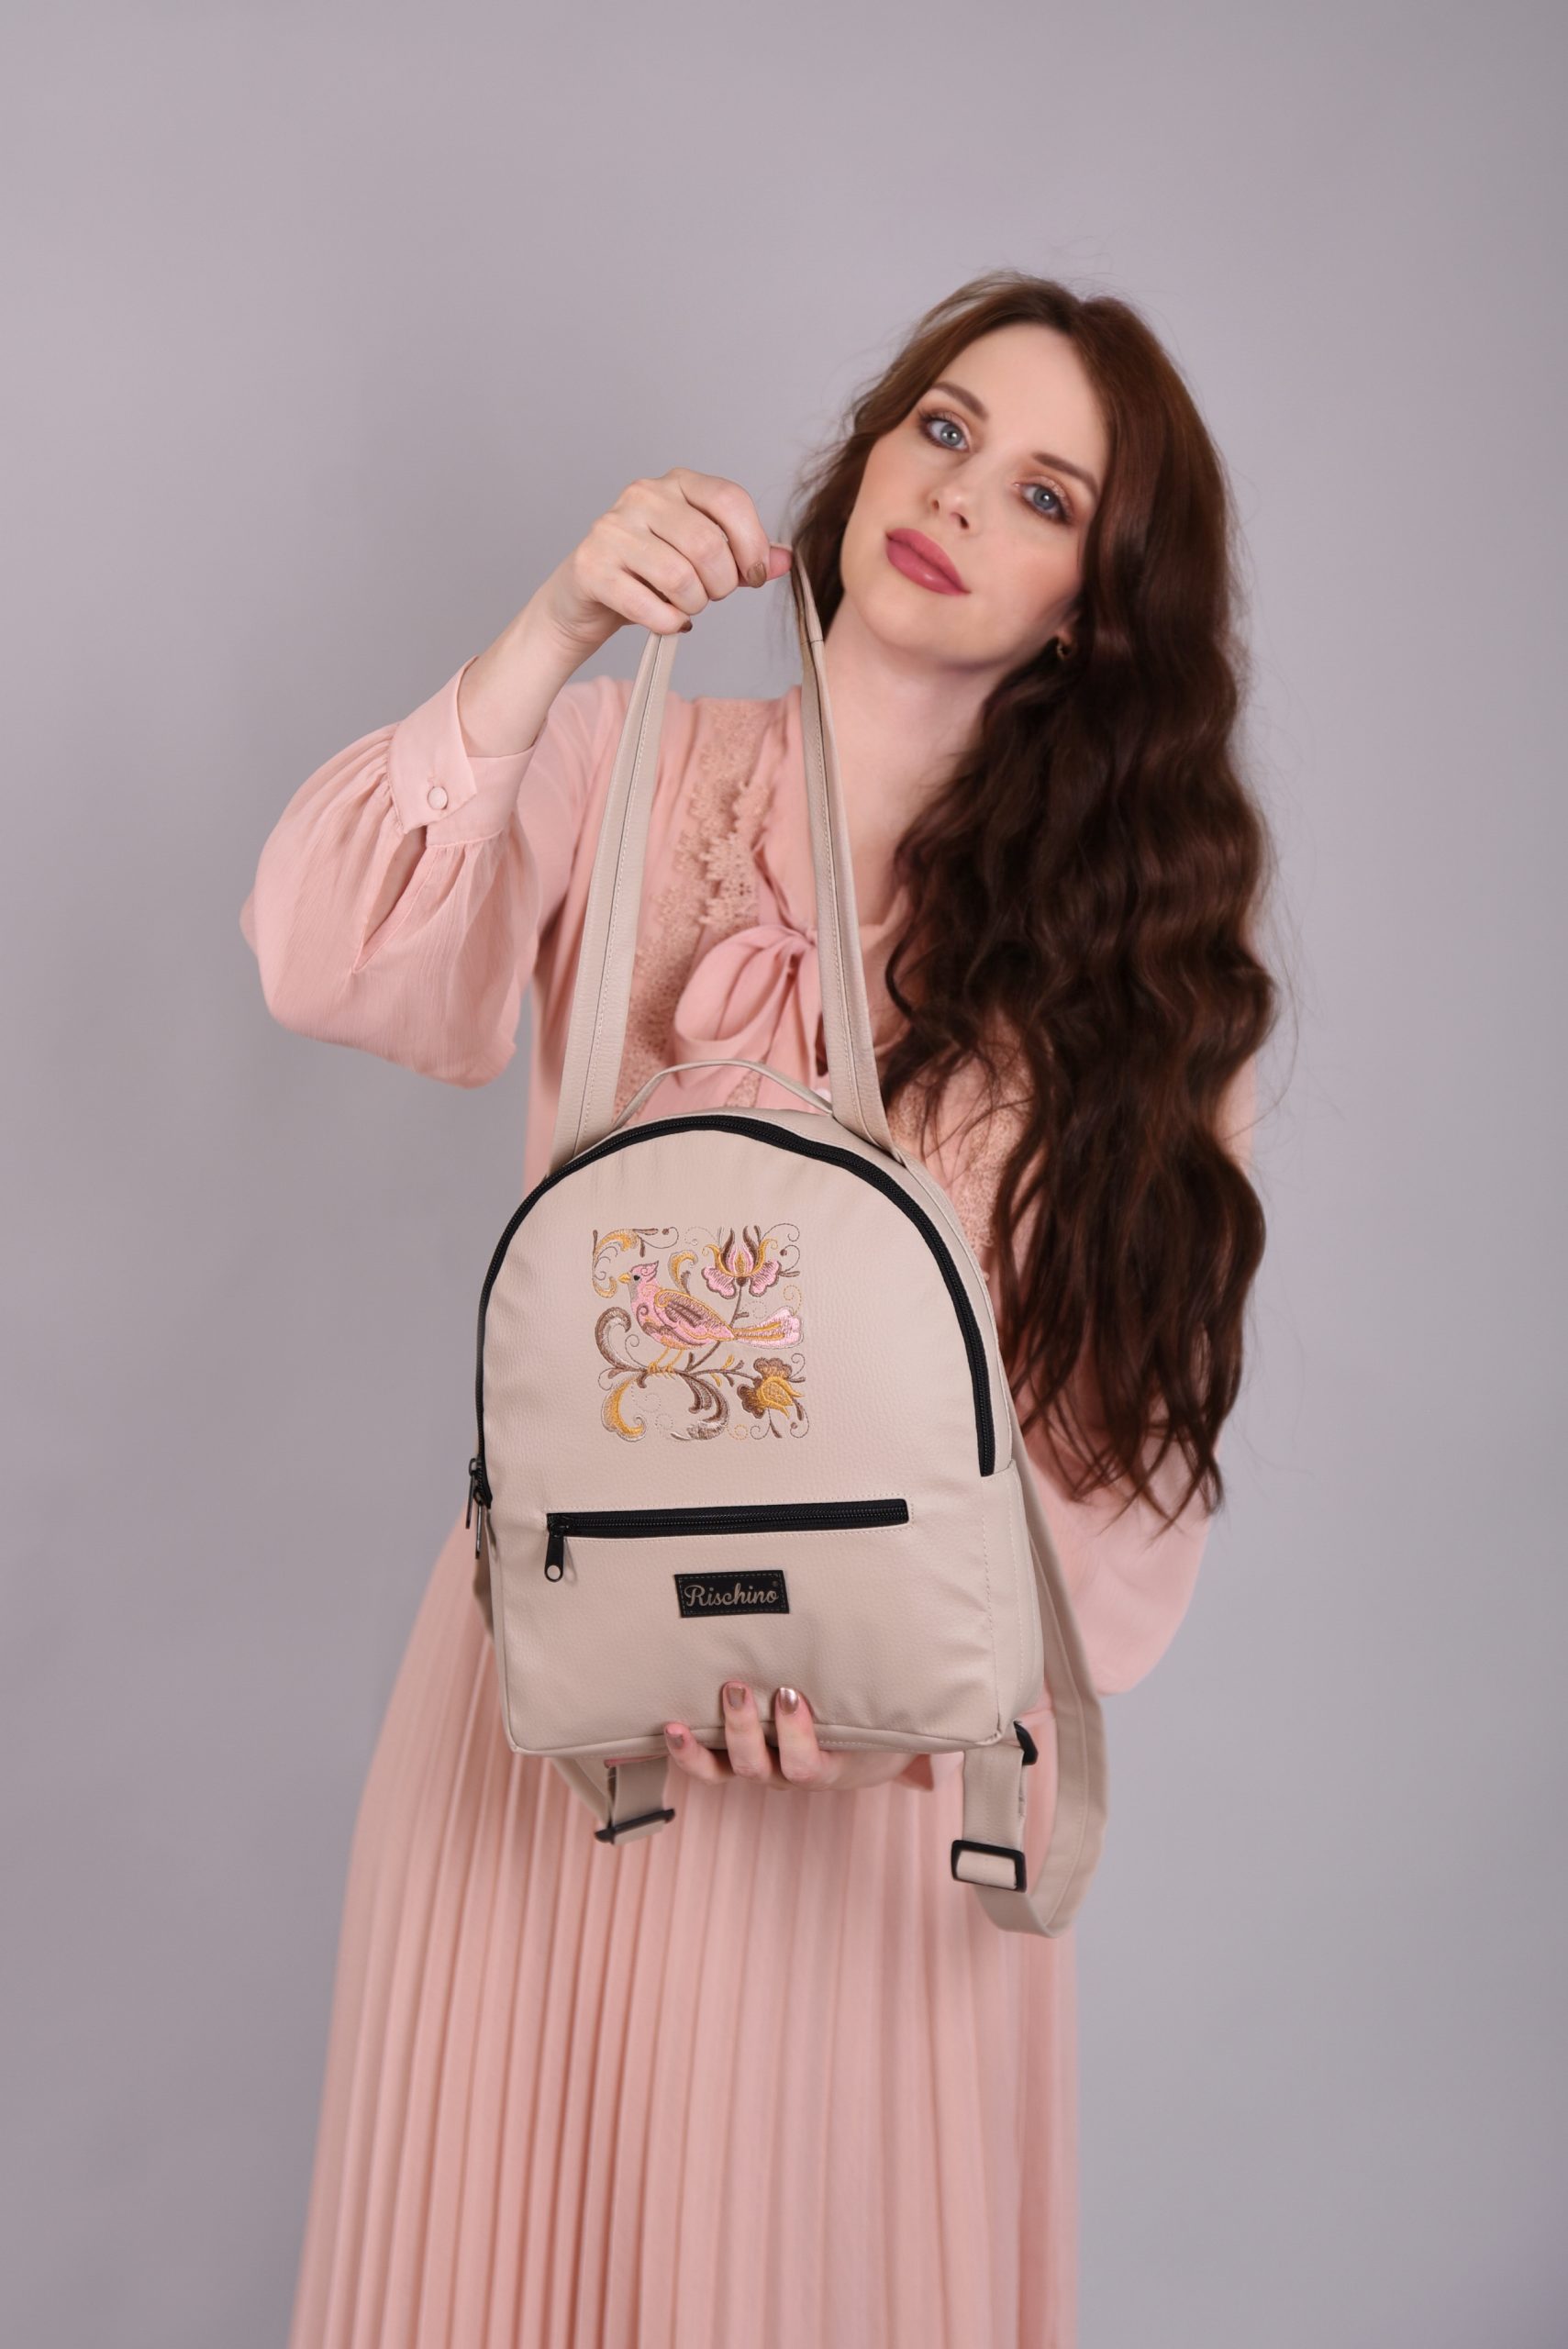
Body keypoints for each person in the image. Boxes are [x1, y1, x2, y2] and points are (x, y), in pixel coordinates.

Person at [240, 268, 1278, 2349]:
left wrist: (925, 1708)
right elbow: (326, 955)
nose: (958, 493)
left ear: (1093, 612)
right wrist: (552, 630)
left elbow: (1120, 1433)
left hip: (878, 1792)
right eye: (943, 427)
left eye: (1046, 494)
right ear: (870, 451)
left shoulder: (1138, 959)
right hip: (557, 1709)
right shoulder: (622, 761)